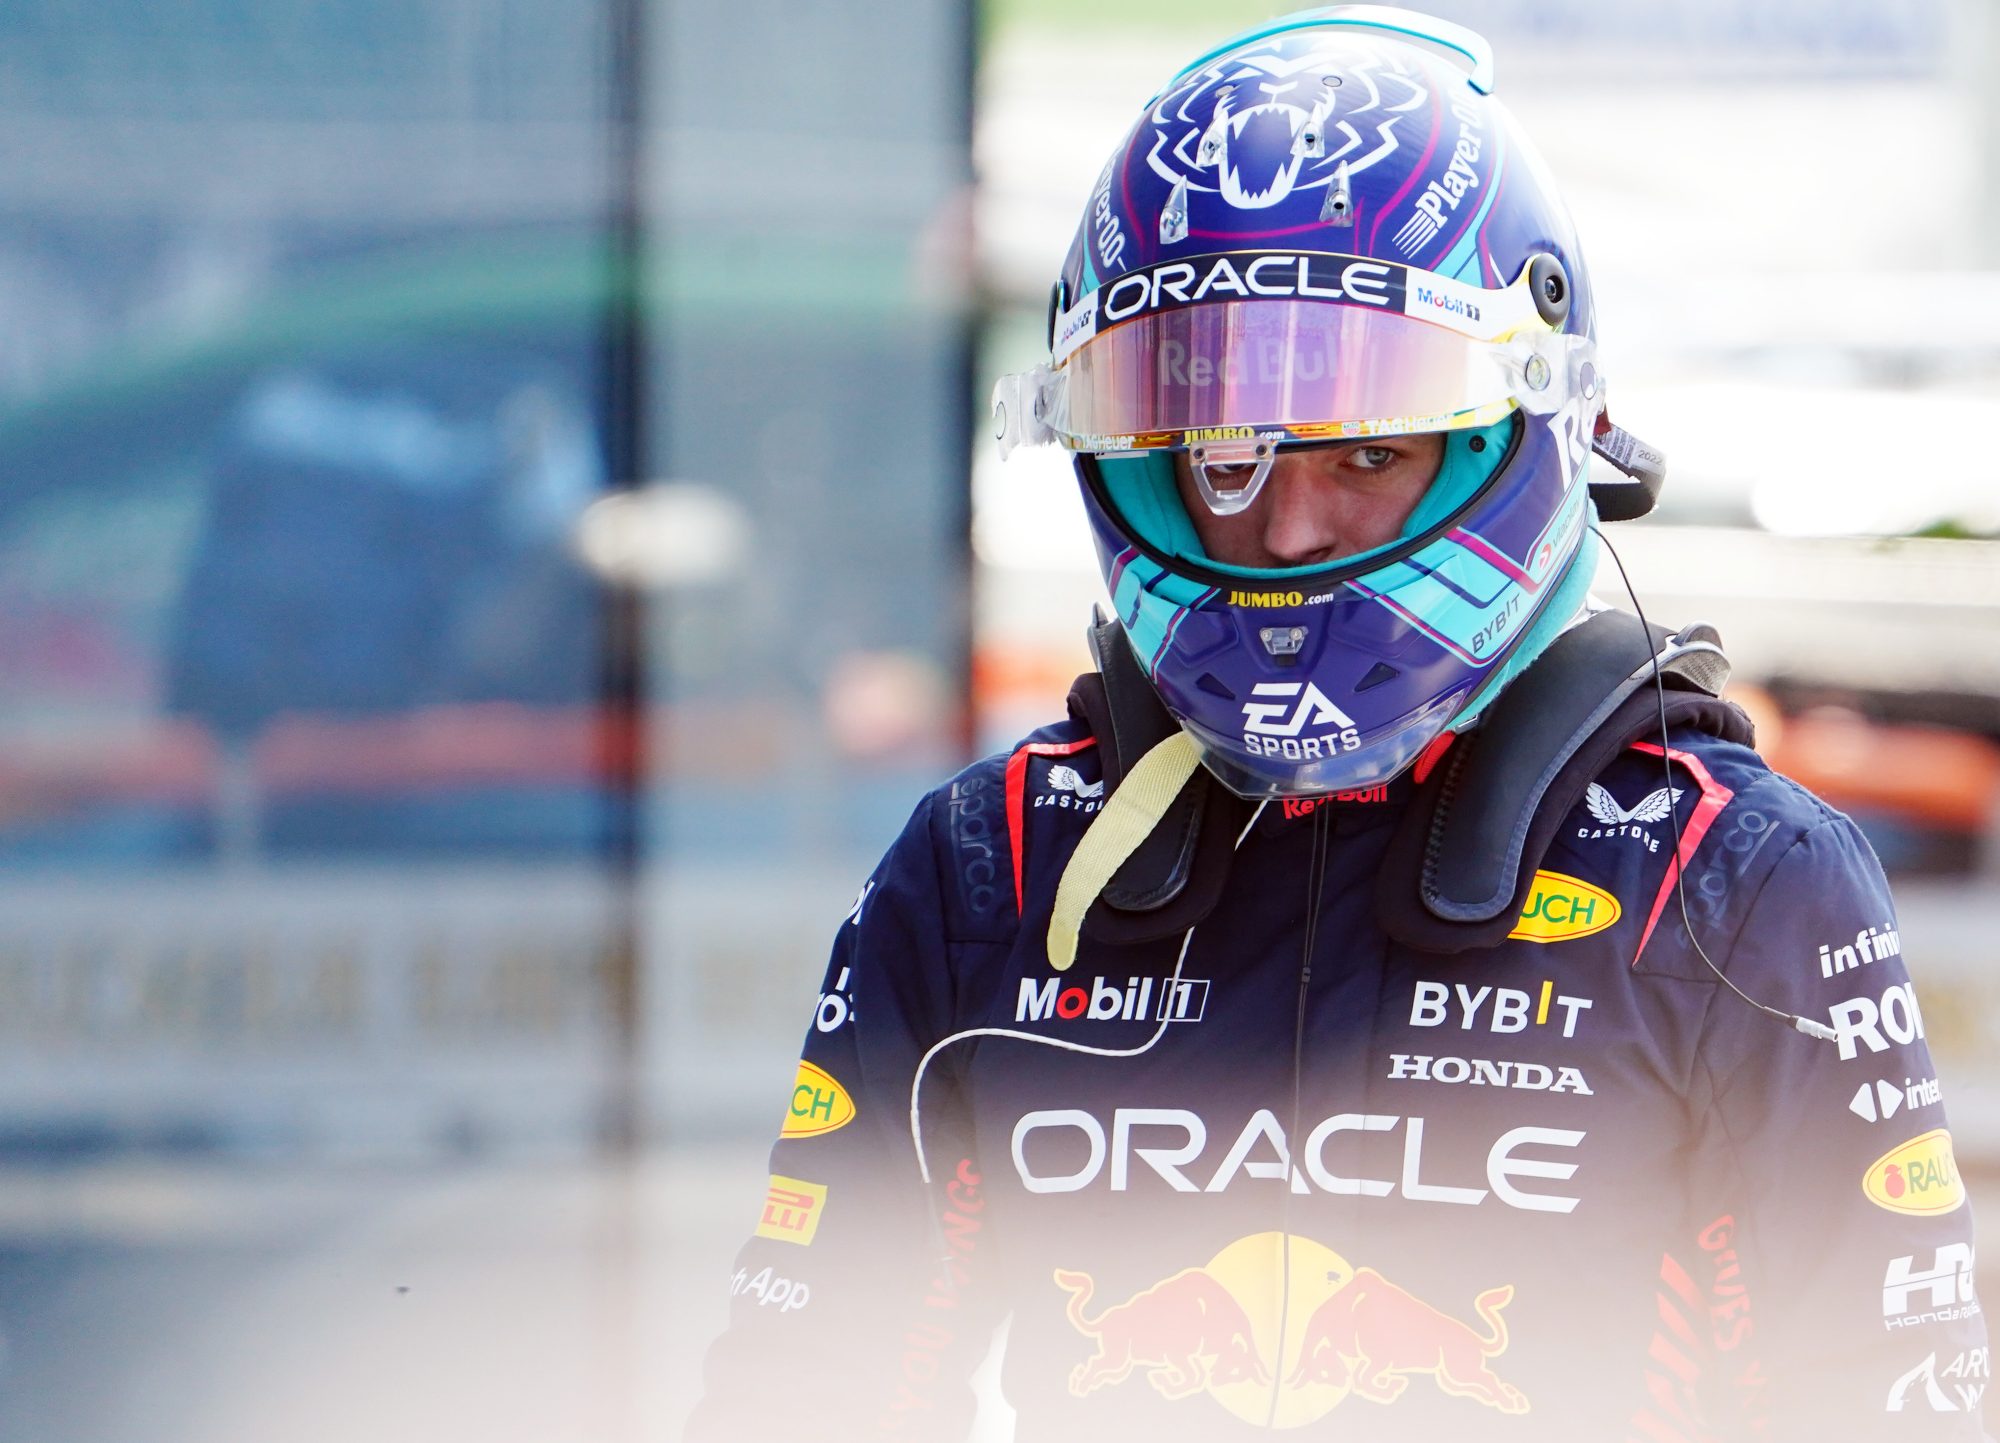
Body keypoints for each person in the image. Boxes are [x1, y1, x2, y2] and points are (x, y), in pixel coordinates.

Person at [689, 9, 1990, 1440]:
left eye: (1367, 450)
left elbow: (1892, 1412)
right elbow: (795, 1402)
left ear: (1515, 433)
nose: (1286, 528)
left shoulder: (1732, 885)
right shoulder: (988, 865)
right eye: (1219, 456)